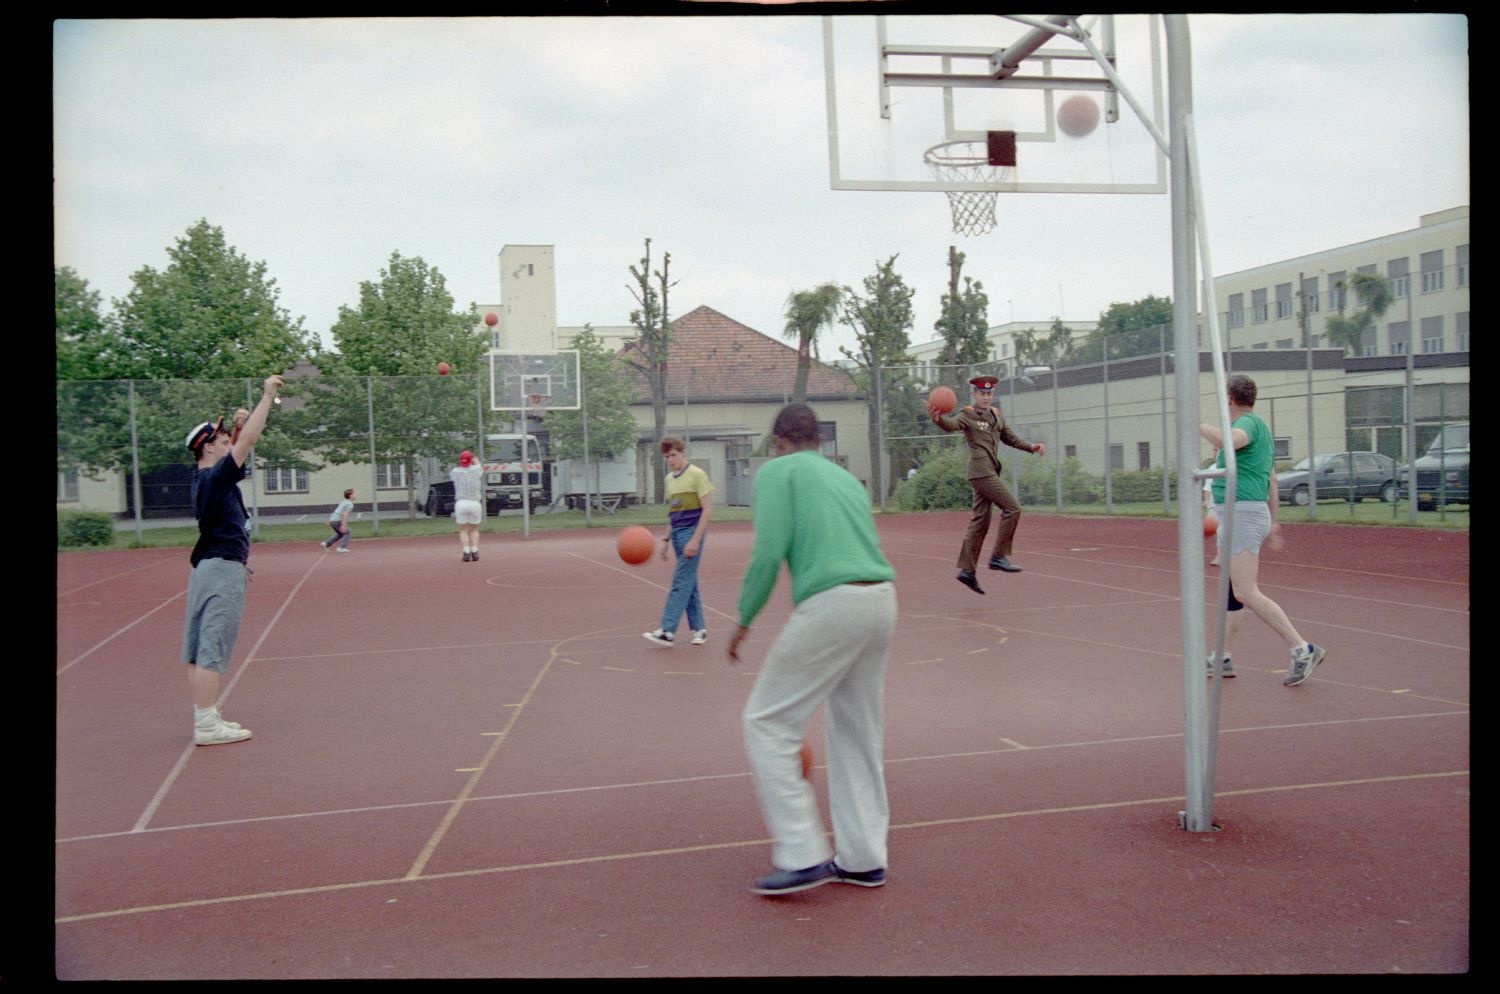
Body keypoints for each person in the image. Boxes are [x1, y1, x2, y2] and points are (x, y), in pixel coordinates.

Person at [729, 403, 897, 896]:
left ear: (778, 440)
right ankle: (864, 858)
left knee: (766, 721)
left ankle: (802, 853)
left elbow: (768, 551)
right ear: (818, 440)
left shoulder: (777, 471)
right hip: (881, 600)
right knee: (857, 732)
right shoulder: (844, 478)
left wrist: (744, 617)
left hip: (834, 603)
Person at [1202, 374, 1327, 686]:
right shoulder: (1259, 432)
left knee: (1245, 590)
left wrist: (1199, 427)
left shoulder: (1249, 425)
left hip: (1242, 513)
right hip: (1241, 513)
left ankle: (1302, 648)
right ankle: (1222, 656)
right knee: (1234, 593)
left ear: (1229, 399)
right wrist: (1274, 522)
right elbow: (1270, 479)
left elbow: (1231, 441)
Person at [179, 373, 283, 746]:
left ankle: (205, 715)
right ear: (207, 448)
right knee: (212, 647)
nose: (231, 443)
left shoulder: (203, 480)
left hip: (210, 565)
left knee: (197, 650)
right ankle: (206, 725)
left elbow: (237, 448)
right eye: (223, 440)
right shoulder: (214, 479)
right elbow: (250, 442)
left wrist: (235, 428)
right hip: (220, 567)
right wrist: (266, 397)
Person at [928, 374, 1045, 594]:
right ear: (974, 394)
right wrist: (938, 419)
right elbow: (952, 425)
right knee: (1012, 508)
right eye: (982, 393)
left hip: (989, 471)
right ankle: (998, 556)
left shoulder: (997, 415)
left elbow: (1010, 438)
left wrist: (1031, 447)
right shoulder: (968, 414)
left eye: (989, 393)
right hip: (981, 472)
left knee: (980, 521)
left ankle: (967, 571)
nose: (986, 397)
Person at [643, 436, 713, 647]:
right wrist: (665, 539)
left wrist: (695, 540)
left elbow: (707, 509)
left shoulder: (697, 475)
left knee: (680, 581)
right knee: (689, 582)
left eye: (673, 455)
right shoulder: (669, 479)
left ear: (683, 452)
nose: (670, 460)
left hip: (693, 533)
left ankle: (667, 630)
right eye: (666, 457)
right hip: (677, 534)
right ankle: (699, 629)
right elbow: (673, 513)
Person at [451, 450, 485, 562]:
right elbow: (478, 464)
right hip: (474, 502)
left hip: (461, 503)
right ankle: (475, 550)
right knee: (474, 529)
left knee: (463, 529)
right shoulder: (477, 469)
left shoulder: (455, 471)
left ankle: (466, 550)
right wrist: (474, 458)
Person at [320, 488, 354, 553]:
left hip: (333, 519)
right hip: (337, 520)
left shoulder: (343, 502)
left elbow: (337, 511)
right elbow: (345, 514)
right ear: (350, 495)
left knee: (339, 534)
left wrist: (330, 520)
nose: (355, 495)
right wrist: (343, 525)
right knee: (347, 532)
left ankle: (326, 544)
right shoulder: (350, 504)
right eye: (354, 494)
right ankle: (342, 548)